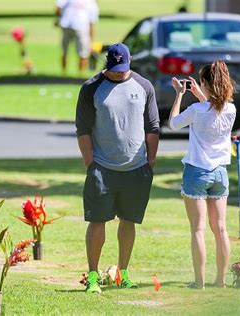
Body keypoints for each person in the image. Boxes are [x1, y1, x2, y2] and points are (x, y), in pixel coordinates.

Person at [76, 43, 160, 293]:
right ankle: (92, 275)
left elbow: (153, 126)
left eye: (122, 69)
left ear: (130, 61)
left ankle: (123, 273)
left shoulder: (144, 86)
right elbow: (83, 129)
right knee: (97, 221)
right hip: (102, 167)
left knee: (128, 221)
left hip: (136, 168)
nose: (118, 73)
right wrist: (90, 163)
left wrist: (150, 160)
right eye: (114, 69)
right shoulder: (91, 88)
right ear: (107, 63)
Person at [169, 61, 236, 289]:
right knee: (221, 229)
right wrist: (201, 96)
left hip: (197, 172)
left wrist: (180, 95)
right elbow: (213, 111)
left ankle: (199, 281)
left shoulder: (197, 110)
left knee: (198, 229)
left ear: (205, 83)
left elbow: (174, 123)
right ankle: (221, 280)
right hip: (220, 173)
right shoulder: (231, 109)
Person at [55, 0, 98, 73]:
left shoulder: (92, 3)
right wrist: (90, 40)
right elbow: (91, 23)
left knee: (67, 52)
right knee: (82, 53)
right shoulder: (92, 3)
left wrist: (59, 19)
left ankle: (71, 73)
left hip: (71, 26)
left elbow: (58, 8)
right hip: (79, 27)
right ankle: (75, 74)